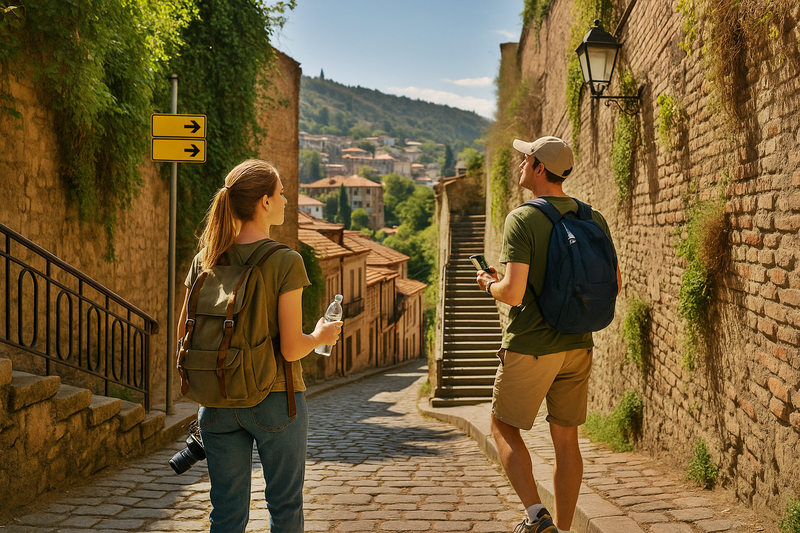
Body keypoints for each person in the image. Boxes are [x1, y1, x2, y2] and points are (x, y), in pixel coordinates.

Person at [177, 159, 342, 533]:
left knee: (225, 514)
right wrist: (321, 336)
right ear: (264, 202)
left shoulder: (205, 260)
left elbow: (182, 337)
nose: (286, 201)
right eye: (281, 194)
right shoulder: (284, 260)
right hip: (276, 401)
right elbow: (290, 349)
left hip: (216, 402)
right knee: (284, 509)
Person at [476, 137, 621, 533]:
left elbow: (514, 292)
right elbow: (615, 283)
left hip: (531, 346)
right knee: (566, 440)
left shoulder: (522, 219)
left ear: (540, 168)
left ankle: (537, 515)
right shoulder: (595, 218)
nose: (520, 163)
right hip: (578, 345)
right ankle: (564, 530)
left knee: (502, 426)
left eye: (525, 158)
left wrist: (488, 284)